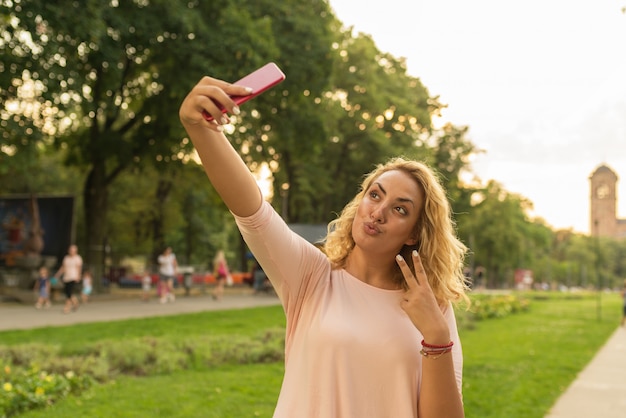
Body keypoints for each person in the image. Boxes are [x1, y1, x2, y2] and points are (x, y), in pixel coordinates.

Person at [179, 75, 469, 417]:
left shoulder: (433, 310)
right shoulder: (312, 277)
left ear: (413, 234)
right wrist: (200, 128)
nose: (378, 212)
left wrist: (435, 336)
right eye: (374, 195)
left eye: (400, 209)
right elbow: (253, 212)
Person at [55, 244, 83, 314]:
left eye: (73, 250)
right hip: (66, 277)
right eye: (70, 250)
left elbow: (79, 268)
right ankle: (75, 302)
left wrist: (78, 276)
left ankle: (67, 308)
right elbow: (63, 268)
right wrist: (57, 275)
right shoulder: (66, 258)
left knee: (69, 293)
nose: (71, 252)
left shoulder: (77, 258)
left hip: (73, 276)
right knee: (68, 292)